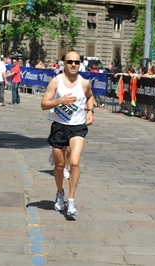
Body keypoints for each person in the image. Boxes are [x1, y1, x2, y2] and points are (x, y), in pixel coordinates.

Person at [41, 51, 95, 216]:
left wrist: (90, 111)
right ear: (63, 63)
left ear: (80, 64)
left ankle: (71, 200)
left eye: (77, 62)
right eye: (70, 61)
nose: (73, 65)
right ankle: (59, 193)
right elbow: (44, 104)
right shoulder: (56, 82)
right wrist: (59, 101)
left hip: (78, 127)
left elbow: (90, 96)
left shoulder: (84, 83)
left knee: (74, 161)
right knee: (59, 165)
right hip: (59, 126)